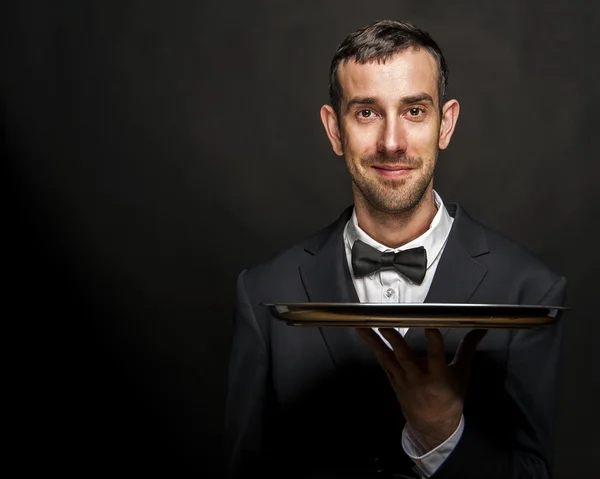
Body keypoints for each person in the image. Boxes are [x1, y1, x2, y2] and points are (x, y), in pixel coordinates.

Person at [224, 20, 566, 479]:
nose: (391, 142)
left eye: (414, 111)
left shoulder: (532, 290)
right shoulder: (263, 291)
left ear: (445, 124)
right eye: (366, 112)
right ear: (334, 130)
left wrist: (442, 438)